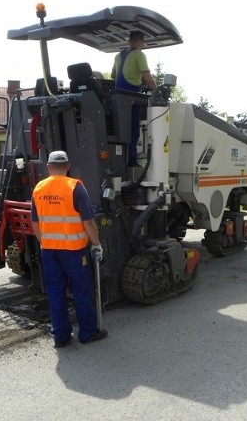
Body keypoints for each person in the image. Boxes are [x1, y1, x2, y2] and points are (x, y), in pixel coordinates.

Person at [31, 150, 107, 348]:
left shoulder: (38, 188)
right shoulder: (75, 187)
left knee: (55, 293)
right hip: (74, 251)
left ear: (48, 167)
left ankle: (61, 335)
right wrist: (97, 244)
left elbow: (35, 222)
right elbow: (88, 222)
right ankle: (87, 333)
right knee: (82, 291)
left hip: (49, 251)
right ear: (68, 166)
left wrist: (44, 242)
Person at [110, 30, 158, 167]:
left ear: (129, 41)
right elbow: (147, 77)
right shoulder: (139, 54)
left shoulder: (118, 56)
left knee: (121, 128)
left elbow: (113, 76)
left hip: (118, 94)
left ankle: (121, 158)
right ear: (142, 42)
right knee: (133, 130)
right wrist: (157, 90)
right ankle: (131, 161)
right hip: (131, 95)